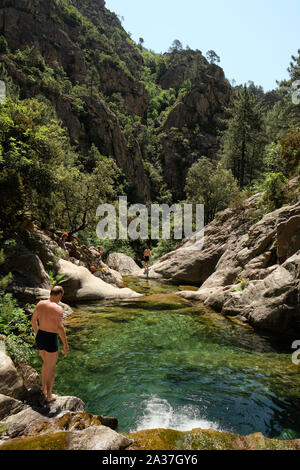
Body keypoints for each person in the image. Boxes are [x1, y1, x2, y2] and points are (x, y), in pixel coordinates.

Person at [31, 286, 69, 403]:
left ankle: (44, 390)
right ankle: (49, 396)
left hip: (40, 336)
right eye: (61, 296)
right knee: (51, 369)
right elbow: (60, 328)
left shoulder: (40, 304)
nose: (60, 299)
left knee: (45, 364)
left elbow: (33, 320)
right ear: (58, 295)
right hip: (51, 338)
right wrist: (65, 344)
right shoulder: (58, 309)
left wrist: (37, 333)